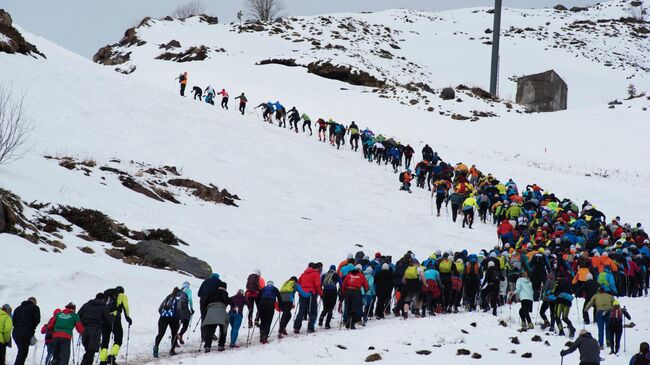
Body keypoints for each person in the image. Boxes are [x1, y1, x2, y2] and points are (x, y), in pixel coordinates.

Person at [99, 286, 131, 365]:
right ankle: (112, 357)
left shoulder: (107, 296)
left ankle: (103, 360)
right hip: (115, 319)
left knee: (105, 339)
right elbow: (126, 307)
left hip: (105, 319)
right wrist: (128, 318)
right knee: (118, 339)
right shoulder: (123, 296)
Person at [78, 294, 111, 365]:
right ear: (103, 299)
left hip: (85, 330)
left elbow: (78, 316)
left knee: (88, 350)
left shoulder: (86, 305)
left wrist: (82, 326)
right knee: (91, 351)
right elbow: (108, 320)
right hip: (95, 330)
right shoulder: (103, 306)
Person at [294, 263, 322, 334]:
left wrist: (300, 291)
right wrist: (321, 294)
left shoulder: (304, 274)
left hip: (303, 294)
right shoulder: (316, 274)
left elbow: (297, 282)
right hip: (311, 294)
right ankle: (310, 327)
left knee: (301, 310)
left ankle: (296, 327)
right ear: (317, 269)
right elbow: (318, 285)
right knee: (313, 311)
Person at [202, 283, 230, 352]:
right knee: (223, 329)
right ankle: (221, 345)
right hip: (221, 312)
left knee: (210, 331)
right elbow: (228, 300)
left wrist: (206, 310)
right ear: (224, 288)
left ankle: (207, 346)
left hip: (211, 312)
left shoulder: (211, 293)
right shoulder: (224, 293)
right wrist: (234, 306)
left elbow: (205, 302)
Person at [12, 297, 40, 365]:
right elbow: (37, 320)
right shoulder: (35, 307)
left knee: (21, 351)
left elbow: (13, 321)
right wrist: (32, 328)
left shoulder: (17, 308)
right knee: (23, 353)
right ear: (34, 302)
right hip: (26, 332)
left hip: (16, 332)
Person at [153, 288, 181, 358]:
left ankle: (156, 347)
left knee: (160, 334)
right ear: (179, 293)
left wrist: (164, 314)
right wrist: (180, 317)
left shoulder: (168, 297)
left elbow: (160, 309)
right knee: (174, 334)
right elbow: (179, 309)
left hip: (163, 317)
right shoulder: (178, 298)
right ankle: (172, 350)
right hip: (173, 318)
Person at [342, 265, 369, 329]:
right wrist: (366, 290)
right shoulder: (361, 275)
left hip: (348, 292)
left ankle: (348, 322)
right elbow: (366, 285)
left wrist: (343, 293)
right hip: (356, 292)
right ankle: (352, 324)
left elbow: (343, 284)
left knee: (348, 307)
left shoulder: (348, 274)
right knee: (354, 308)